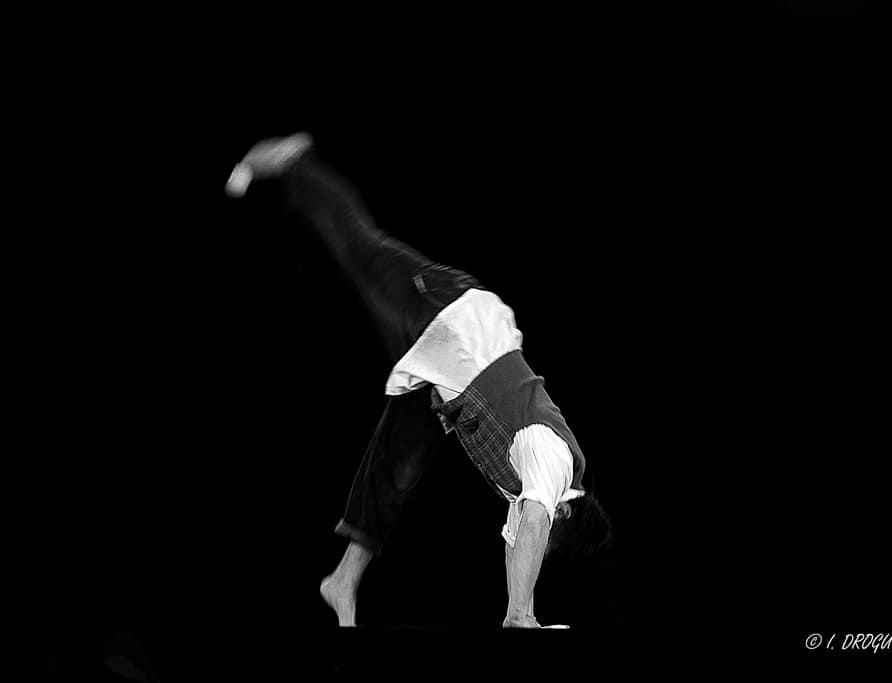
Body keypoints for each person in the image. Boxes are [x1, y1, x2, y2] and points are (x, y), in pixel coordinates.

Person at [226, 133, 612, 628]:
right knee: (361, 248)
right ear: (564, 515)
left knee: (398, 464)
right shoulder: (552, 464)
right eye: (549, 542)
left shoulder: (542, 495)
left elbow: (526, 540)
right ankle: (297, 164)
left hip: (447, 376)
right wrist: (518, 614)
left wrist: (527, 616)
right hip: (454, 317)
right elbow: (534, 525)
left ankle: (342, 580)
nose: (536, 542)